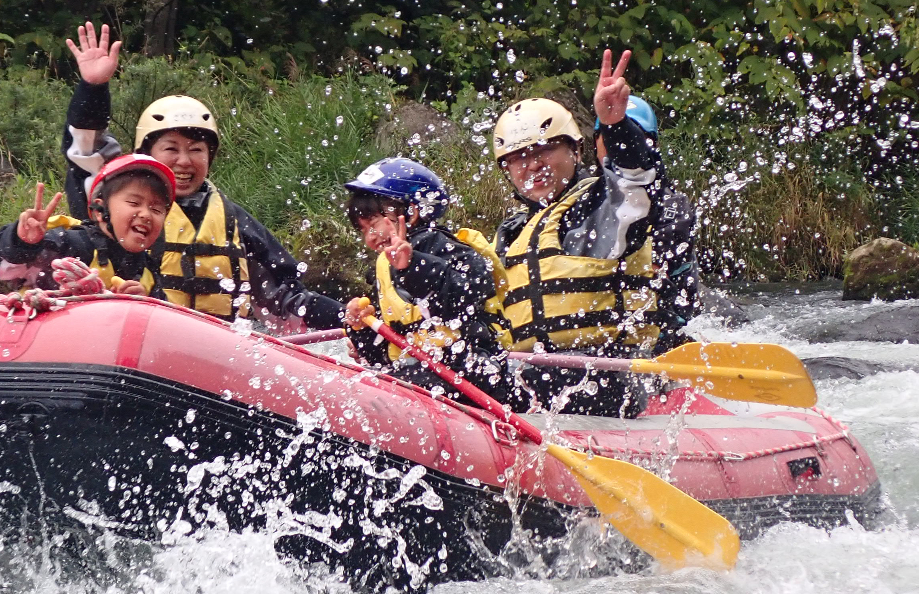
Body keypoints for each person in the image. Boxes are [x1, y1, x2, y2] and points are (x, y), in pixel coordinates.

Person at [59, 21, 344, 329]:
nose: (184, 162)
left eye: (196, 150)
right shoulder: (116, 200)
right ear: (146, 153)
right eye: (171, 149)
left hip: (213, 356)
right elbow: (85, 149)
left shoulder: (234, 221)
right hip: (138, 338)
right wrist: (93, 88)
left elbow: (289, 296)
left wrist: (349, 316)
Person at [459, 50, 666, 417]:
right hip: (535, 377)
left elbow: (637, 179)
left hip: (609, 376)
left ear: (576, 150)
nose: (533, 165)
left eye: (545, 149)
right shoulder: (512, 234)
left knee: (550, 379)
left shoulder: (602, 209)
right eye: (518, 158)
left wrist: (615, 126)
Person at [341, 158, 510, 405]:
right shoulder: (386, 268)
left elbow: (466, 297)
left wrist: (415, 268)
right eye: (363, 231)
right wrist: (361, 330)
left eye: (374, 224)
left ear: (411, 213)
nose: (370, 239)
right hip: (420, 378)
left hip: (475, 374)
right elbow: (382, 355)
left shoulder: (444, 247)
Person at [0, 154, 174, 299]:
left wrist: (144, 303)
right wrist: (23, 242)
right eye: (134, 203)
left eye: (156, 210)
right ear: (100, 211)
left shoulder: (147, 271)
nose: (146, 214)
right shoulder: (71, 243)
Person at [593, 96, 701, 354]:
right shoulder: (583, 200)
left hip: (661, 332)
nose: (616, 146)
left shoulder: (672, 207)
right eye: (607, 137)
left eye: (632, 135)